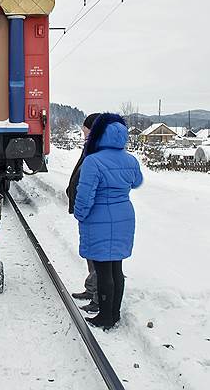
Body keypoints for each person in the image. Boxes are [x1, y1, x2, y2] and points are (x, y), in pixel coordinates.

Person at [73, 112, 143, 329]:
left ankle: (104, 316)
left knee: (103, 270)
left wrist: (80, 214)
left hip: (99, 216)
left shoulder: (93, 161)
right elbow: (137, 182)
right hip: (124, 215)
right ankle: (114, 313)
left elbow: (85, 196)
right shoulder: (130, 160)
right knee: (116, 269)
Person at [67, 113, 100, 313]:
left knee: (97, 252)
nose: (83, 132)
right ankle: (92, 289)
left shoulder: (96, 149)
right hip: (88, 210)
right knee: (90, 250)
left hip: (95, 211)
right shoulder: (91, 146)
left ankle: (98, 296)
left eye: (85, 129)